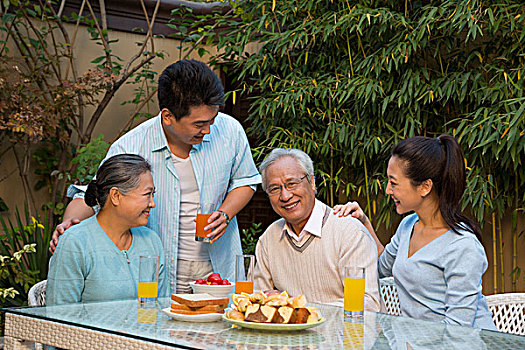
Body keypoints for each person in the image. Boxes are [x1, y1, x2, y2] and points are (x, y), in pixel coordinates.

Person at [50, 60, 262, 294]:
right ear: (168, 116)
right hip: (159, 267)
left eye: (212, 120)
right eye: (199, 124)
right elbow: (94, 193)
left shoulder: (230, 131)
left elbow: (246, 180)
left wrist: (225, 213)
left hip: (219, 268)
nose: (209, 130)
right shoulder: (132, 145)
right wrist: (67, 226)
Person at [334, 134, 496, 330]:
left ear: (425, 187)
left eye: (393, 183)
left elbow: (457, 329)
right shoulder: (408, 225)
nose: (387, 190)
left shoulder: (463, 246)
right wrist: (363, 223)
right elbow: (380, 267)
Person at [253, 148, 381, 310]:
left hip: (346, 334)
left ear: (312, 182)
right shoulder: (269, 238)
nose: (285, 196)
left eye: (292, 184)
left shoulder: (349, 232)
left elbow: (367, 302)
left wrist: (299, 309)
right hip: (287, 334)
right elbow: (259, 299)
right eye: (274, 189)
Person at [47, 154, 169, 304]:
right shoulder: (75, 243)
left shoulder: (150, 242)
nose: (152, 203)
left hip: (144, 327)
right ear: (116, 195)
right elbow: (60, 316)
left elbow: (158, 307)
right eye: (147, 194)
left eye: (153, 195)